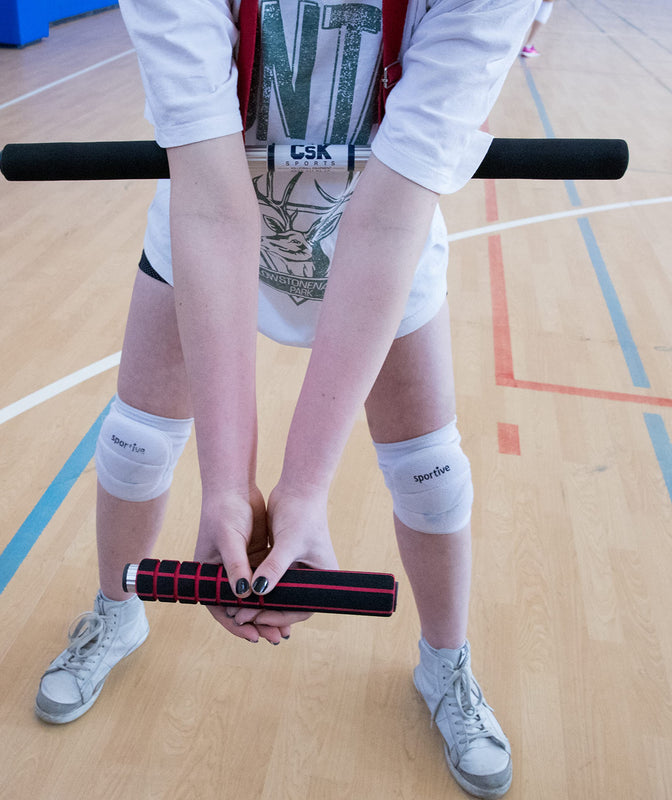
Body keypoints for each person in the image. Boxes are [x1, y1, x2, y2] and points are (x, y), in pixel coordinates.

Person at [35, 1, 539, 797]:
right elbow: (209, 206)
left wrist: (303, 490)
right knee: (133, 444)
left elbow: (385, 222)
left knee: (432, 475)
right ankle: (115, 610)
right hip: (212, 208)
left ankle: (447, 665)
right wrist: (228, 491)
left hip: (377, 222)